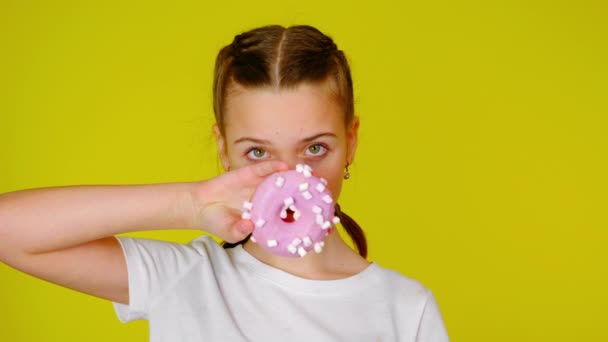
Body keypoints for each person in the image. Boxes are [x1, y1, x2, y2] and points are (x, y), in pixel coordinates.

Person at [0, 24, 449, 341]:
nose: (289, 179)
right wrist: (189, 204)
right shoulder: (184, 279)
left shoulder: (405, 308)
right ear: (224, 149)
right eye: (258, 152)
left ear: (350, 142)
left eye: (315, 149)